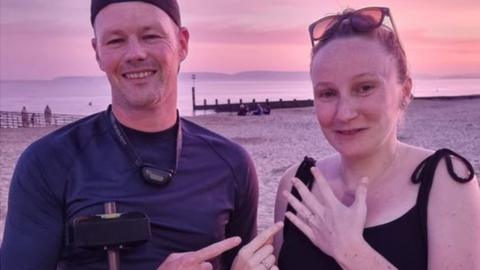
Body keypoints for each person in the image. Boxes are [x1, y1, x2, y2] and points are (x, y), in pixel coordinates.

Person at [1, 1, 278, 269]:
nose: (135, 54)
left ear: (182, 43)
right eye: (115, 41)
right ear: (97, 52)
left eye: (150, 36)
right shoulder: (49, 161)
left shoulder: (231, 164)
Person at [273, 7, 480, 269]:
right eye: (327, 93)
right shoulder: (295, 186)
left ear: (404, 91)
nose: (344, 113)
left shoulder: (445, 182)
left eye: (364, 88)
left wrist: (352, 252)